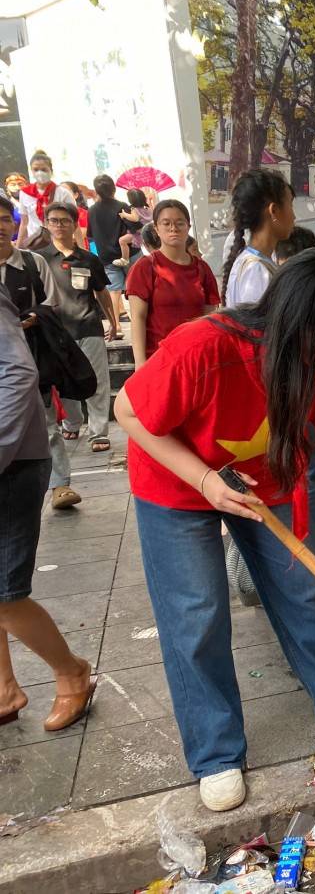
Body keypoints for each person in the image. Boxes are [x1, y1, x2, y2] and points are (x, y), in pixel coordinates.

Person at [114, 250, 315, 813]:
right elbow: (126, 409)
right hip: (177, 481)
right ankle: (217, 753)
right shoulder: (204, 346)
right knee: (196, 614)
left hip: (263, 476)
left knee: (305, 590)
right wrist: (204, 480)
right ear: (301, 323)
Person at [0, 286, 97, 734]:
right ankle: (4, 689)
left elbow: (18, 375)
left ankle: (71, 670)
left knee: (6, 594)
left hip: (12, 460)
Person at [0, 195, 78, 509]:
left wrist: (33, 319)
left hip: (31, 357)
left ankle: (60, 484)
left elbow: (52, 306)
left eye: (5, 219)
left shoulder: (32, 263)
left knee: (44, 421)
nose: (0, 227)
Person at [36, 201, 117, 454]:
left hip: (89, 326)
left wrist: (112, 321)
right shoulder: (39, 260)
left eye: (65, 221)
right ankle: (72, 421)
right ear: (47, 225)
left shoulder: (88, 259)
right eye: (54, 221)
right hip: (56, 333)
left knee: (98, 381)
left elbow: (102, 292)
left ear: (75, 224)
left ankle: (98, 432)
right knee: (64, 383)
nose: (60, 225)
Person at [126, 200, 220, 369]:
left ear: (188, 227)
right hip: (158, 361)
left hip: (195, 360)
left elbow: (209, 317)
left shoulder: (202, 268)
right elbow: (138, 318)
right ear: (156, 228)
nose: (173, 228)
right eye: (166, 223)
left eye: (179, 223)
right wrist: (141, 364)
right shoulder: (145, 267)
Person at [220, 168, 296, 307]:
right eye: (290, 205)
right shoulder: (256, 271)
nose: (294, 216)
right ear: (273, 211)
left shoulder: (255, 262)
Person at [88, 175, 136, 337]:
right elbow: (134, 227)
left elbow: (90, 235)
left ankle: (116, 327)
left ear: (96, 191)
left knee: (113, 292)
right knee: (136, 290)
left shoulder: (92, 210)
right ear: (113, 189)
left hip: (107, 256)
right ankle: (139, 323)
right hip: (129, 254)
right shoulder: (122, 206)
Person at [16, 151, 75, 251]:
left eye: (44, 169)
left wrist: (81, 247)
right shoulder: (25, 193)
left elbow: (74, 221)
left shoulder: (63, 193)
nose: (40, 173)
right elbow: (24, 223)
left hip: (60, 244)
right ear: (31, 171)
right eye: (36, 169)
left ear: (50, 170)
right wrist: (18, 248)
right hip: (36, 244)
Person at [115, 188, 151, 266]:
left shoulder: (135, 209)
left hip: (138, 234)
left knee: (122, 240)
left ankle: (125, 259)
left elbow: (135, 218)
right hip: (147, 231)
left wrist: (124, 215)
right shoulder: (146, 207)